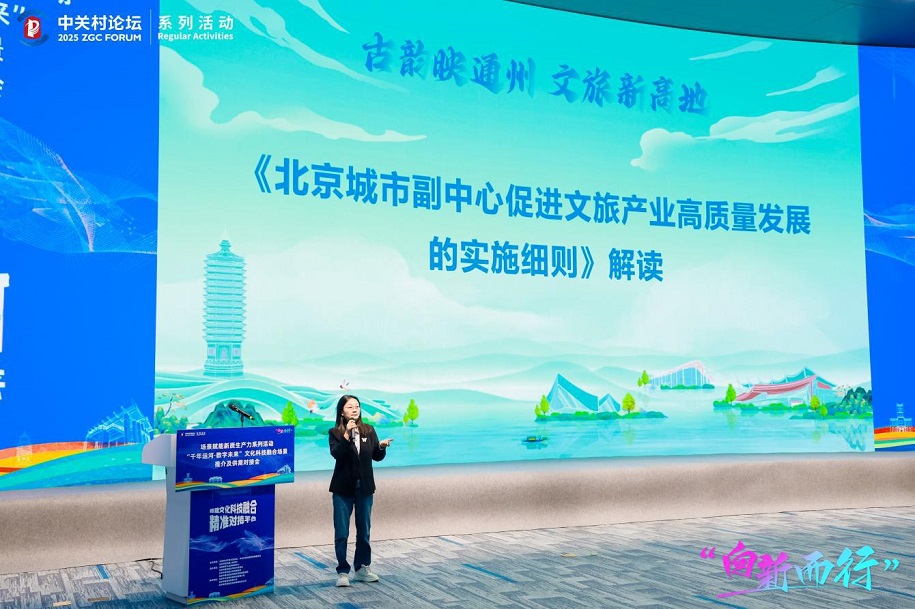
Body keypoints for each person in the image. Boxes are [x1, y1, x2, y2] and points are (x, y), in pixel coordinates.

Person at [328, 394, 393, 587]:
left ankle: (362, 568)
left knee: (364, 531)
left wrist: (381, 447)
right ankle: (342, 572)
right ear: (342, 412)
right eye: (350, 407)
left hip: (364, 487)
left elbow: (376, 456)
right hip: (342, 489)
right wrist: (347, 435)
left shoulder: (369, 430)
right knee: (342, 532)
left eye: (357, 406)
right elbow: (337, 454)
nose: (354, 409)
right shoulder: (335, 433)